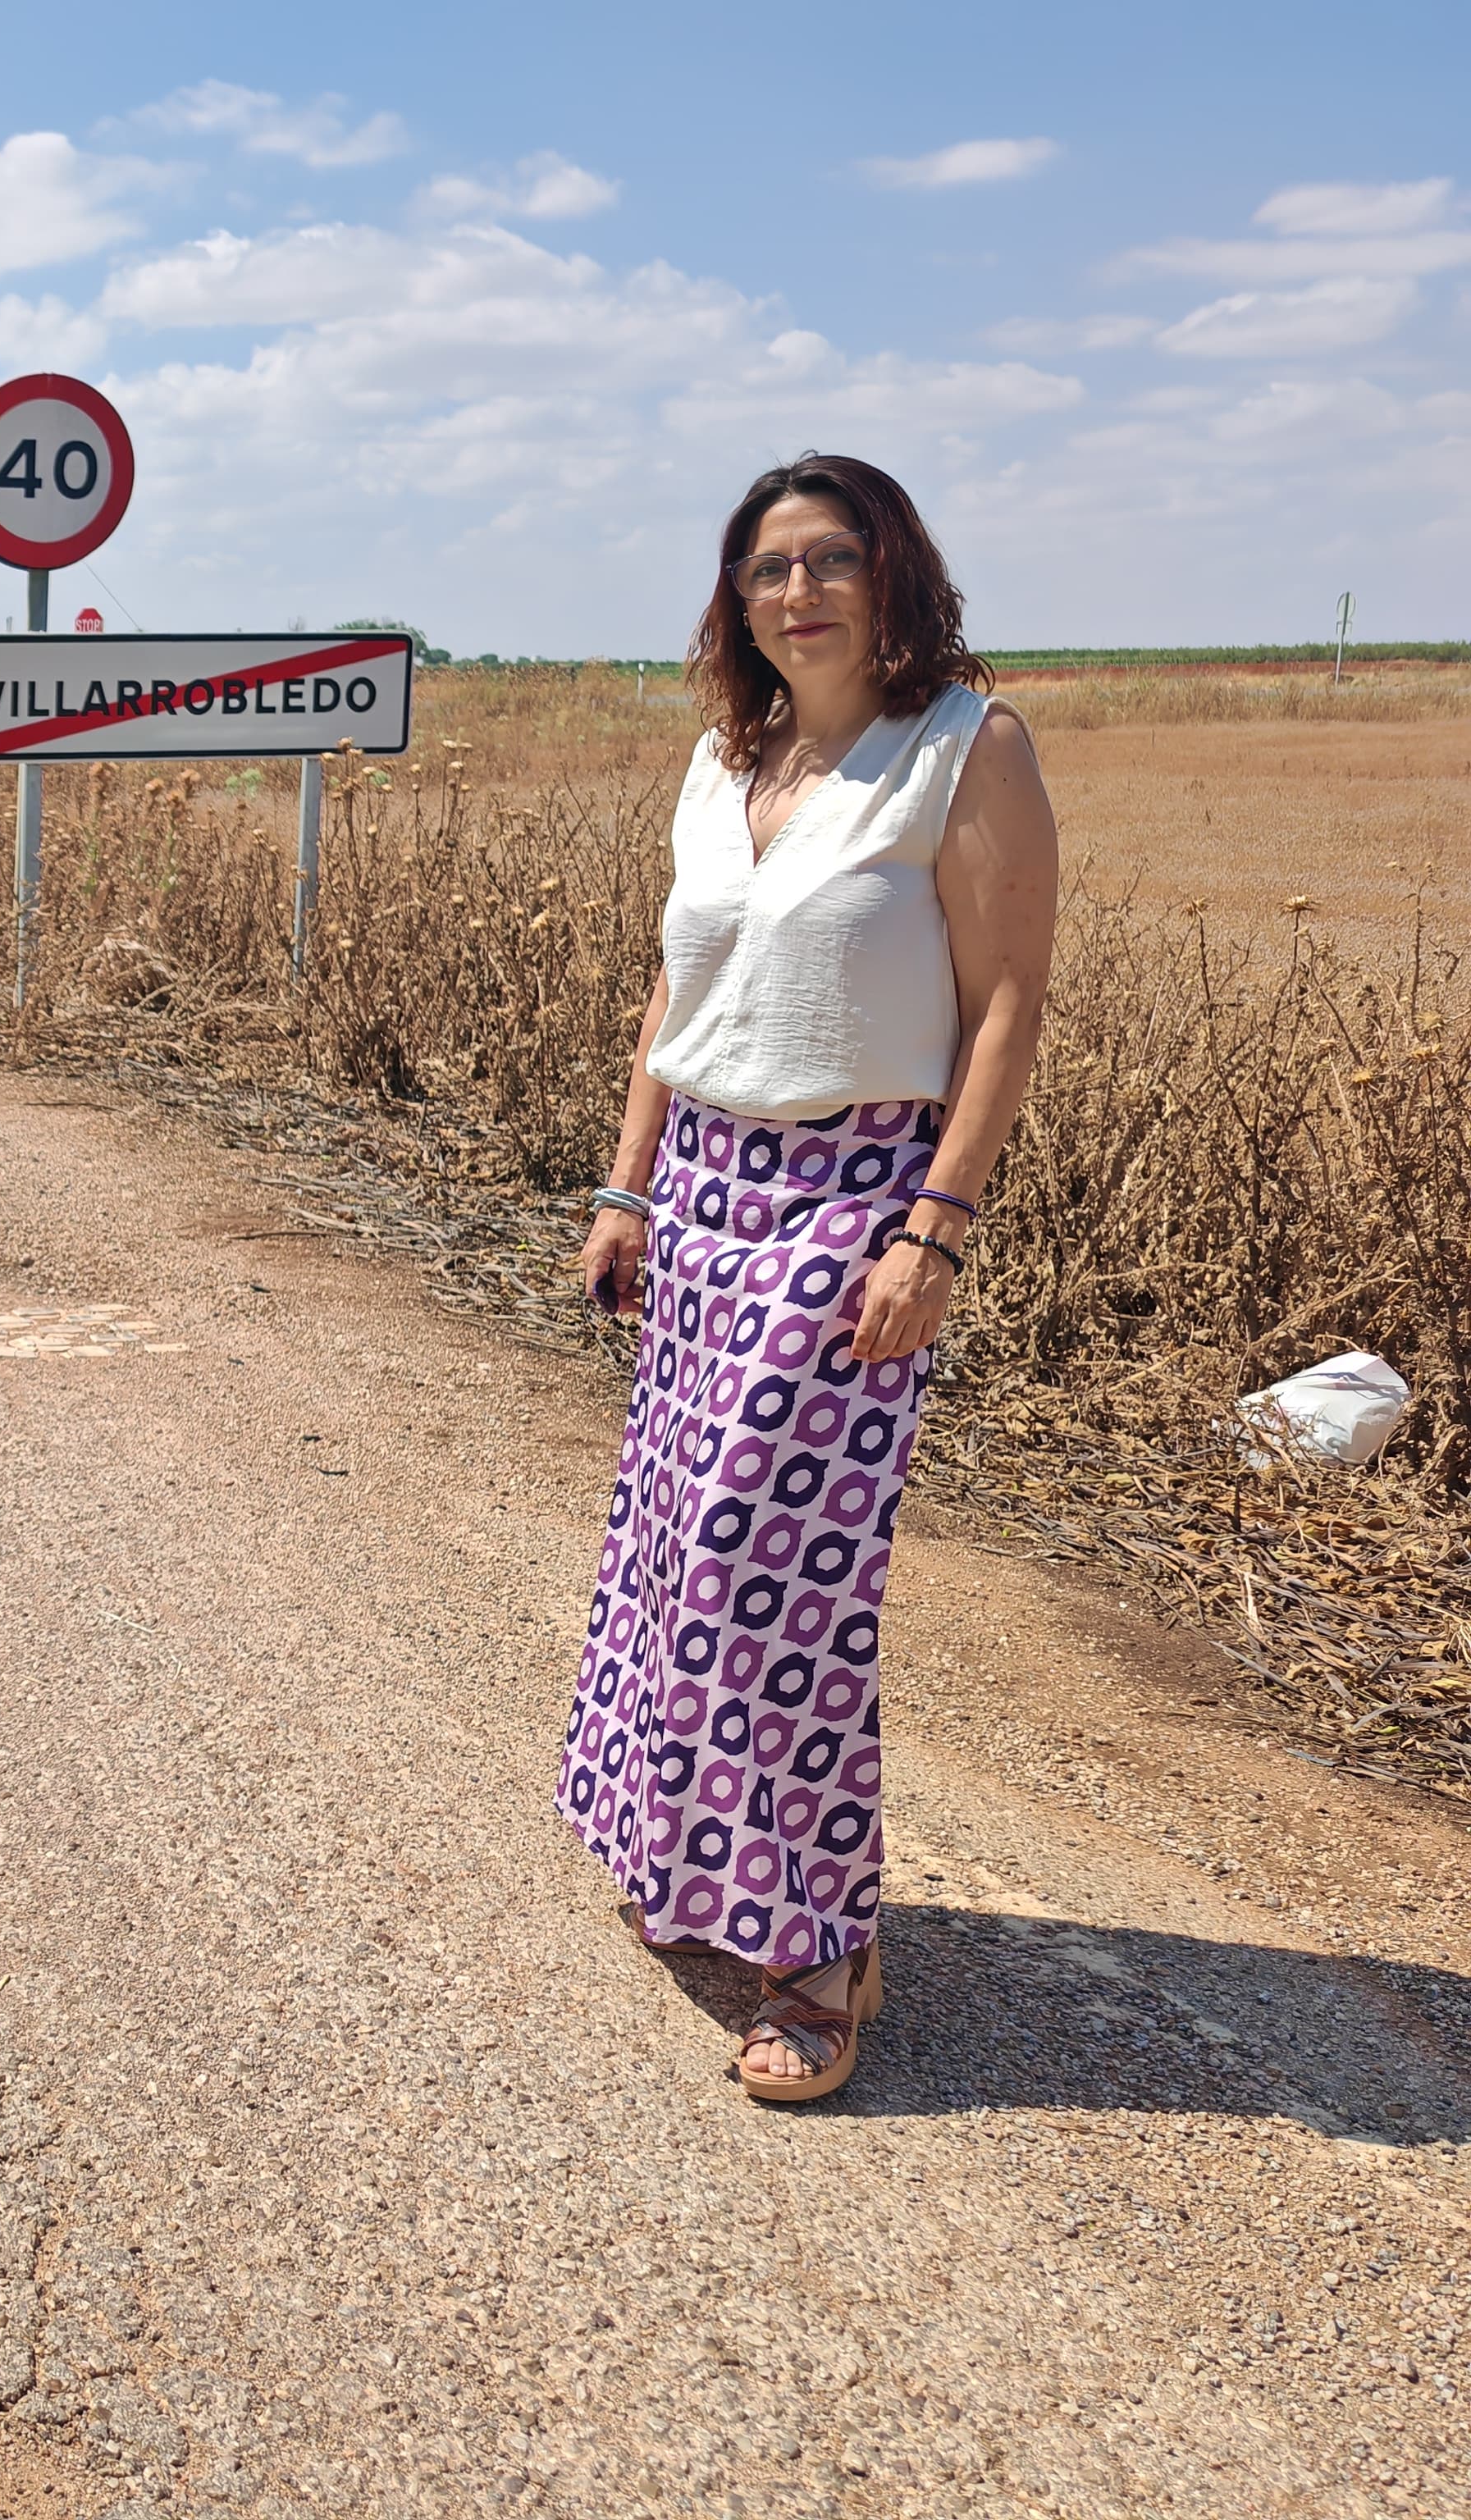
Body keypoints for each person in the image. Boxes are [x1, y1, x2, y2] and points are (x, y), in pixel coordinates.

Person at [562, 453, 1056, 2102]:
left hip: (852, 1204)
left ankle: (818, 1949)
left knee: (770, 1590)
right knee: (660, 1559)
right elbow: (670, 988)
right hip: (697, 1194)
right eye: (766, 566)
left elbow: (1001, 1008)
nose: (797, 592)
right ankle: (692, 1873)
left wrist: (935, 1226)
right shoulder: (725, 760)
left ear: (892, 576)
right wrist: (624, 1184)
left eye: (829, 560)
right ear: (736, 598)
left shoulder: (960, 751)